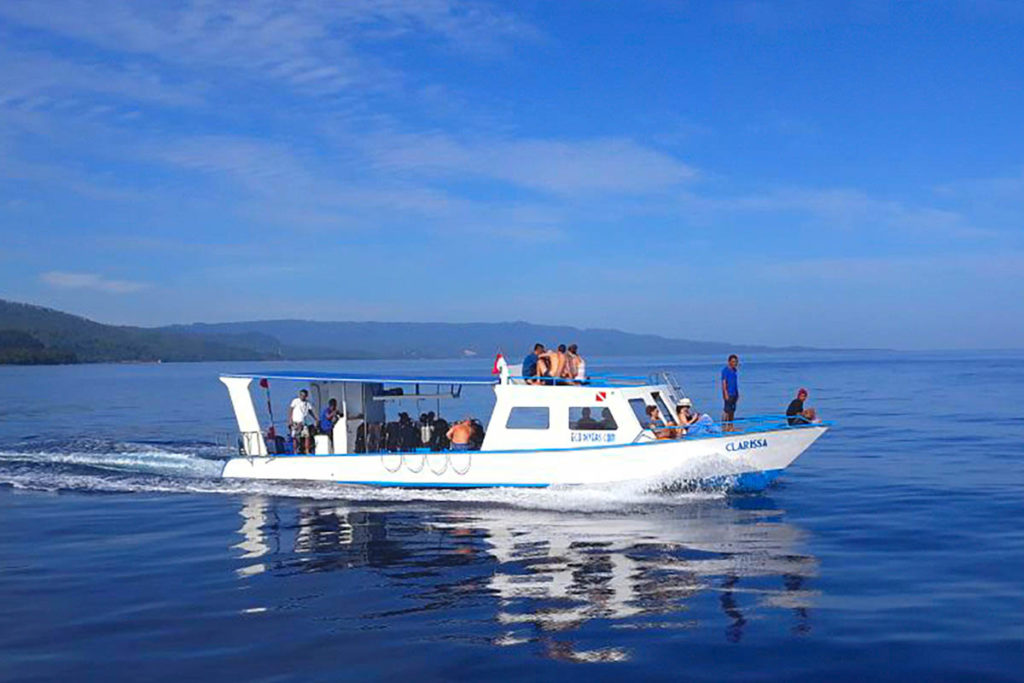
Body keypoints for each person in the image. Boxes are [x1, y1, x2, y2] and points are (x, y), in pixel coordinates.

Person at [288, 389, 315, 454]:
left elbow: (310, 411)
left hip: (304, 422)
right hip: (296, 422)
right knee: (295, 437)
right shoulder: (295, 401)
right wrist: (290, 420)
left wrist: (315, 418)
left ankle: (307, 450)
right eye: (301, 395)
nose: (302, 397)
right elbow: (290, 410)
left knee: (307, 436)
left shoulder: (307, 403)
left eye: (304, 395)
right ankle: (295, 451)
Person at [721, 354, 740, 432]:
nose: (734, 363)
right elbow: (724, 383)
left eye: (735, 362)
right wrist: (725, 393)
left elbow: (735, 383)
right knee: (726, 411)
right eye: (733, 362)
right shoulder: (725, 370)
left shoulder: (734, 371)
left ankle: (731, 426)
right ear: (729, 362)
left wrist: (737, 393)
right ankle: (724, 427)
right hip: (728, 393)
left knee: (732, 411)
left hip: (734, 393)